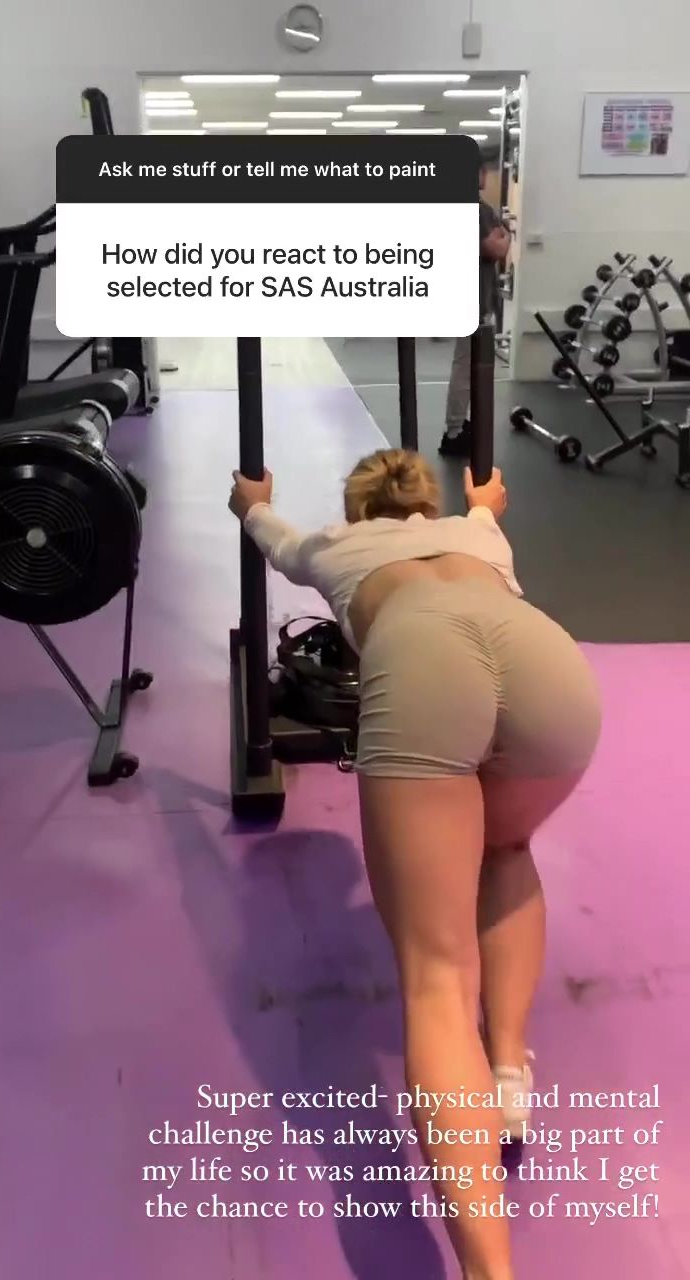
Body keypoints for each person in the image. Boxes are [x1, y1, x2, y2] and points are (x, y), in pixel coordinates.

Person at [228, 450, 601, 1280]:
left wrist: (251, 499)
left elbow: (268, 533)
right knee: (507, 847)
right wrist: (484, 499)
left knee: (437, 982)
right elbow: (490, 505)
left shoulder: (336, 543)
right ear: (426, 502)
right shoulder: (478, 533)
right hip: (550, 663)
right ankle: (508, 1070)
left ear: (359, 507)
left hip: (426, 657)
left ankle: (490, 1275)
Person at [439, 164, 511, 459]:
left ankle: (458, 426)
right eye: (483, 171)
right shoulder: (477, 210)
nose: (485, 177)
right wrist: (505, 236)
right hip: (475, 298)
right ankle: (454, 432)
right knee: (466, 367)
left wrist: (499, 236)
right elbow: (497, 248)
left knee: (466, 365)